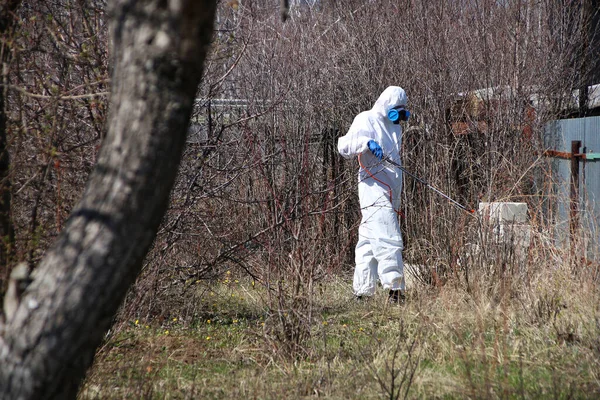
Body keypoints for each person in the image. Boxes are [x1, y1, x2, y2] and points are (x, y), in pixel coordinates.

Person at [337, 86, 410, 303]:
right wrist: (365, 143)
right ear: (386, 104)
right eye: (396, 108)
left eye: (402, 110)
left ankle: (362, 292)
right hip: (372, 186)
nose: (398, 114)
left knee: (369, 240)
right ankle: (395, 290)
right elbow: (344, 145)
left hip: (392, 186)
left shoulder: (395, 127)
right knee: (388, 235)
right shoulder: (366, 119)